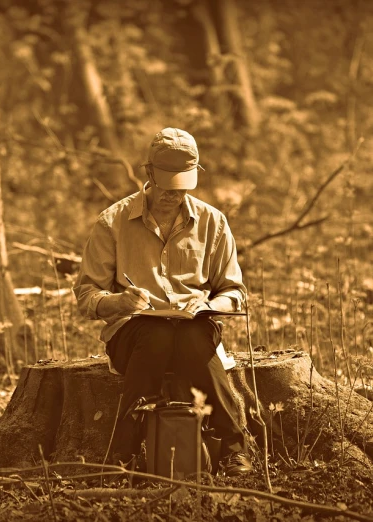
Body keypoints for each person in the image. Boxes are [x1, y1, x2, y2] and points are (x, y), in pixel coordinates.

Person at [73, 127, 252, 477]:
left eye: (182, 184)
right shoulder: (113, 221)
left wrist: (210, 306)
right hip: (133, 331)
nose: (174, 194)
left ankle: (233, 450)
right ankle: (124, 451)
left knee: (191, 337)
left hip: (194, 327)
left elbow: (235, 291)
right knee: (156, 336)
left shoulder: (213, 222)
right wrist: (120, 302)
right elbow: (87, 296)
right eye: (167, 184)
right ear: (149, 173)